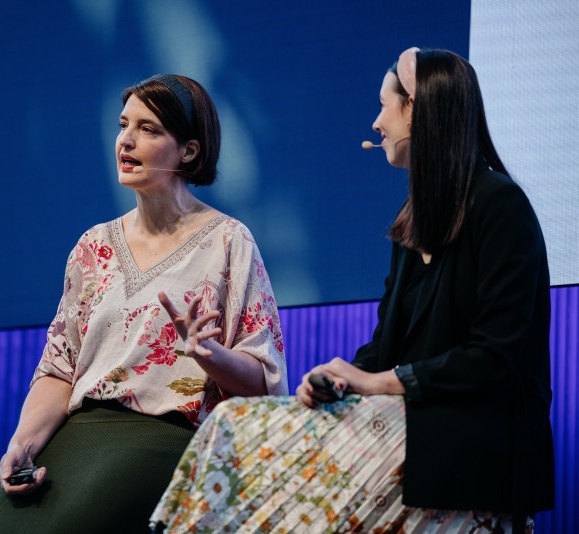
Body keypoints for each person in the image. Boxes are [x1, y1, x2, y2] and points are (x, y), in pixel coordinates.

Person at [150, 49, 554, 533]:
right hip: (416, 421)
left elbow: (493, 357)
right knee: (231, 422)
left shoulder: (499, 205)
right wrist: (338, 378)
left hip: (476, 436)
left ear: (420, 110)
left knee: (245, 434)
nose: (376, 121)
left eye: (387, 105)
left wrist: (378, 383)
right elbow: (385, 347)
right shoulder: (415, 221)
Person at [0, 74, 287, 533]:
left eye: (149, 129)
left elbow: (267, 385)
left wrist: (208, 355)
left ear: (189, 151)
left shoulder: (228, 241)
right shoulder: (92, 245)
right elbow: (60, 370)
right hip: (76, 436)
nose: (126, 140)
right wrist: (22, 443)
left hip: (164, 438)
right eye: (124, 125)